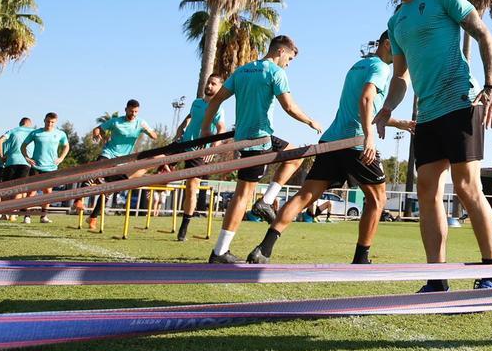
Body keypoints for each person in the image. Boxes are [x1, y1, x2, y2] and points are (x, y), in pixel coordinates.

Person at [367, 0, 492, 292]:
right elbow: (400, 76)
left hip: (461, 100)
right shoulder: (396, 21)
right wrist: (386, 109)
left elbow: (483, 34)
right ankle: (436, 277)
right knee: (426, 189)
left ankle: (491, 271)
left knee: (466, 186)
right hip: (427, 113)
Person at [248, 31, 410, 265]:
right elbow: (366, 100)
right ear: (387, 44)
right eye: (400, 47)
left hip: (331, 141)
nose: (402, 54)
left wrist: (399, 123)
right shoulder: (382, 68)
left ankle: (264, 249)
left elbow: (364, 108)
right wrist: (369, 138)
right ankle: (361, 258)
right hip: (355, 143)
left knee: (304, 196)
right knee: (377, 199)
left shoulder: (357, 66)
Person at [199, 35, 323, 263]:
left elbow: (215, 100)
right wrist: (310, 121)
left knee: (294, 155)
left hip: (247, 136)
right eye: (290, 59)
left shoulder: (243, 71)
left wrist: (206, 129)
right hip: (258, 141)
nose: (289, 63)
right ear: (280, 52)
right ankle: (219, 252)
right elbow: (289, 106)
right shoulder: (276, 72)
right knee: (242, 195)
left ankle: (266, 201)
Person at [86, 100, 159, 230]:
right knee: (96, 167)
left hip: (123, 161)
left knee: (108, 192)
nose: (133, 114)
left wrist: (148, 131)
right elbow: (98, 129)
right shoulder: (116, 121)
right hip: (109, 154)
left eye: (136, 111)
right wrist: (99, 135)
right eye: (131, 111)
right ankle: (78, 200)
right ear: (126, 109)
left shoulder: (140, 122)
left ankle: (93, 217)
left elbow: (155, 136)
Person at [172, 74, 228, 241]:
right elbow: (190, 116)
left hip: (198, 151)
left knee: (191, 188)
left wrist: (212, 149)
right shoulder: (196, 102)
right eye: (208, 83)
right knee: (156, 160)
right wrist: (181, 127)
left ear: (219, 88)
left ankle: (184, 228)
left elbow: (221, 129)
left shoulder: (218, 108)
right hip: (183, 144)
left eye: (213, 84)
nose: (209, 86)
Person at [19, 113, 70, 225]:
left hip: (51, 168)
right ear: (44, 120)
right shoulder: (36, 133)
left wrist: (61, 158)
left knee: (47, 192)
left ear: (55, 122)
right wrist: (27, 158)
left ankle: (44, 216)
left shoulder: (60, 134)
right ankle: (27, 216)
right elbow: (23, 146)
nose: (50, 124)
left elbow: (66, 146)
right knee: (31, 192)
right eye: (48, 121)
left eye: (52, 122)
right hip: (36, 166)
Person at [0, 117, 35, 219]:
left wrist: (1, 157)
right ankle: (12, 212)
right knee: (19, 189)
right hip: (26, 162)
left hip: (10, 162)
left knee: (6, 189)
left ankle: (4, 214)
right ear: (30, 124)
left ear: (20, 124)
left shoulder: (13, 130)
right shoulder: (34, 132)